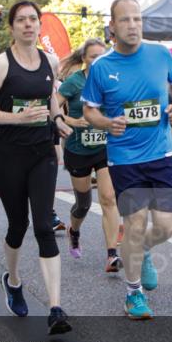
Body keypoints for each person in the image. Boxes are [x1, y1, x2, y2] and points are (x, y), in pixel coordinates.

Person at [0, 1, 73, 335]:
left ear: (40, 25)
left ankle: (56, 308)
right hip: (9, 155)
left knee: (44, 224)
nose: (28, 25)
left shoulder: (50, 61)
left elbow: (50, 98)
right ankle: (12, 280)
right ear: (12, 27)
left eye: (33, 20)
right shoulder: (2, 64)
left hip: (43, 152)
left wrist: (57, 119)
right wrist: (16, 118)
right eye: (21, 20)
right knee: (18, 226)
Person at [83, 0, 172, 320]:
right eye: (125, 20)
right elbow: (89, 110)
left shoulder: (160, 54)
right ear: (112, 26)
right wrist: (106, 123)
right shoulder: (102, 68)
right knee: (136, 223)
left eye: (138, 19)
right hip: (125, 158)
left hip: (162, 153)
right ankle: (133, 293)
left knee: (167, 226)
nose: (133, 26)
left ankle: (141, 250)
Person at [57, 38, 123, 273]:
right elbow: (52, 108)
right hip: (77, 150)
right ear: (84, 59)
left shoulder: (111, 79)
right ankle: (74, 231)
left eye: (101, 56)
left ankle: (112, 255)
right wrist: (72, 120)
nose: (98, 61)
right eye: (93, 56)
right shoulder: (74, 82)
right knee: (83, 205)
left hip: (105, 147)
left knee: (108, 198)